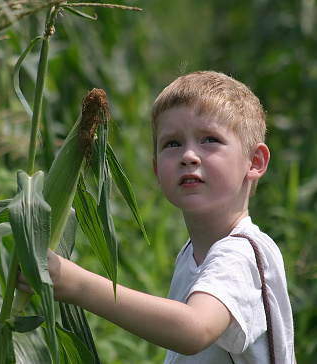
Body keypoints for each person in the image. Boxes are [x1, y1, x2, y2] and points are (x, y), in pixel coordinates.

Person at [17, 71, 295, 363]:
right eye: (172, 144)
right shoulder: (195, 252)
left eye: (210, 140)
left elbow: (194, 329)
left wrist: (77, 284)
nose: (189, 155)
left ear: (255, 161)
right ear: (156, 170)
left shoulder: (239, 255)